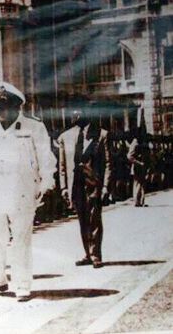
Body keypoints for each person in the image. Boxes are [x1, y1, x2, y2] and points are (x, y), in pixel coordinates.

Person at [0, 82, 56, 300]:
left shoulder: (34, 127)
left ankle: (22, 284)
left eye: (5, 108)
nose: (0, 113)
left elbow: (46, 159)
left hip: (22, 191)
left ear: (18, 108)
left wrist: (46, 183)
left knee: (21, 238)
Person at [58, 101, 111, 269]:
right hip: (76, 186)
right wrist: (64, 187)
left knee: (94, 219)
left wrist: (105, 187)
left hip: (93, 184)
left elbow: (108, 164)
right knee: (82, 220)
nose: (75, 115)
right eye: (73, 112)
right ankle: (87, 254)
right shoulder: (65, 137)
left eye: (78, 112)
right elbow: (62, 166)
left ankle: (96, 255)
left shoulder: (101, 135)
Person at [127, 126, 149, 207]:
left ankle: (142, 201)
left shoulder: (141, 142)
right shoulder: (135, 142)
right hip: (137, 167)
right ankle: (136, 201)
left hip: (142, 166)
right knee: (137, 184)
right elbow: (129, 156)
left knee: (142, 184)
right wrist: (138, 162)